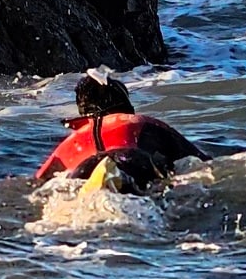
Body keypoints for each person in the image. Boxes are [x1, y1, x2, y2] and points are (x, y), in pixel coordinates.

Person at [35, 73, 210, 191]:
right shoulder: (139, 122)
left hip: (84, 171)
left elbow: (38, 181)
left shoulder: (71, 141)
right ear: (126, 104)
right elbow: (201, 160)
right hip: (129, 160)